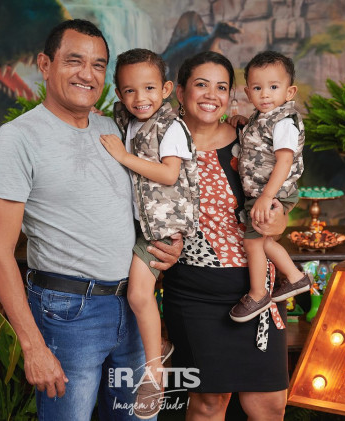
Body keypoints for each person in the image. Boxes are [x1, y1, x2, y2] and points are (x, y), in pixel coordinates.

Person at [0, 19, 182, 421]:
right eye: (74, 61)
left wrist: (166, 247)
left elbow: (142, 202)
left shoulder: (114, 129)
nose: (87, 74)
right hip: (68, 314)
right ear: (45, 64)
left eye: (98, 65)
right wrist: (33, 347)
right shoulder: (17, 138)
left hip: (132, 304)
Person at [162, 51, 289, 420]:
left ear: (231, 96)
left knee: (268, 404)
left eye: (221, 87)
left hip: (256, 292)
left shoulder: (250, 138)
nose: (211, 95)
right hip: (194, 295)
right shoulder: (161, 143)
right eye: (201, 84)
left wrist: (278, 222)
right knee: (208, 403)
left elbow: (279, 209)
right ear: (181, 91)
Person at [99, 48, 199, 419]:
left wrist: (124, 157)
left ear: (167, 89)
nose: (140, 98)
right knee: (140, 295)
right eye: (129, 90)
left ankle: (154, 371)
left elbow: (170, 174)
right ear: (119, 93)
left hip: (163, 227)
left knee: (140, 294)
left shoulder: (170, 126)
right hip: (141, 224)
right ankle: (159, 350)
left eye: (149, 88)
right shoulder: (127, 121)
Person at [229, 50, 311, 323]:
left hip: (272, 193)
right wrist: (243, 124)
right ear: (248, 92)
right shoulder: (262, 117)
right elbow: (259, 140)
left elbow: (284, 160)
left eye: (273, 87)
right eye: (257, 88)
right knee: (262, 242)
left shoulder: (285, 122)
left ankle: (258, 294)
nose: (265, 94)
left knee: (252, 243)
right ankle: (296, 277)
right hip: (264, 193)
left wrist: (266, 197)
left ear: (290, 92)